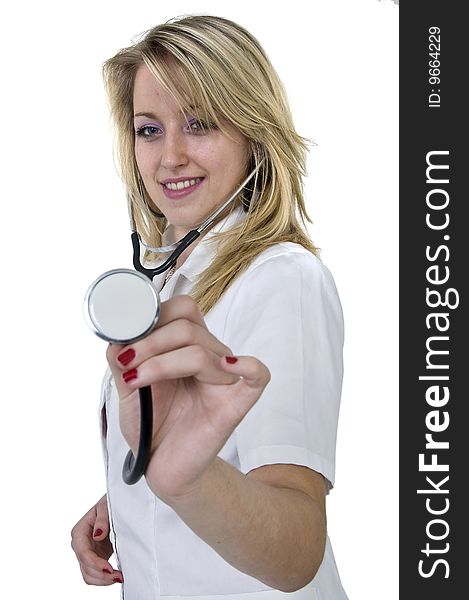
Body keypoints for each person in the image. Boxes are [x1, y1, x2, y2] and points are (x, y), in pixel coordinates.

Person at [71, 14, 348, 600]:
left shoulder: (281, 279)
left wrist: (183, 482)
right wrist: (124, 495)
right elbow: (206, 449)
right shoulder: (177, 275)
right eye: (150, 130)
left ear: (254, 133)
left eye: (200, 124)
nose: (170, 156)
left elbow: (298, 545)